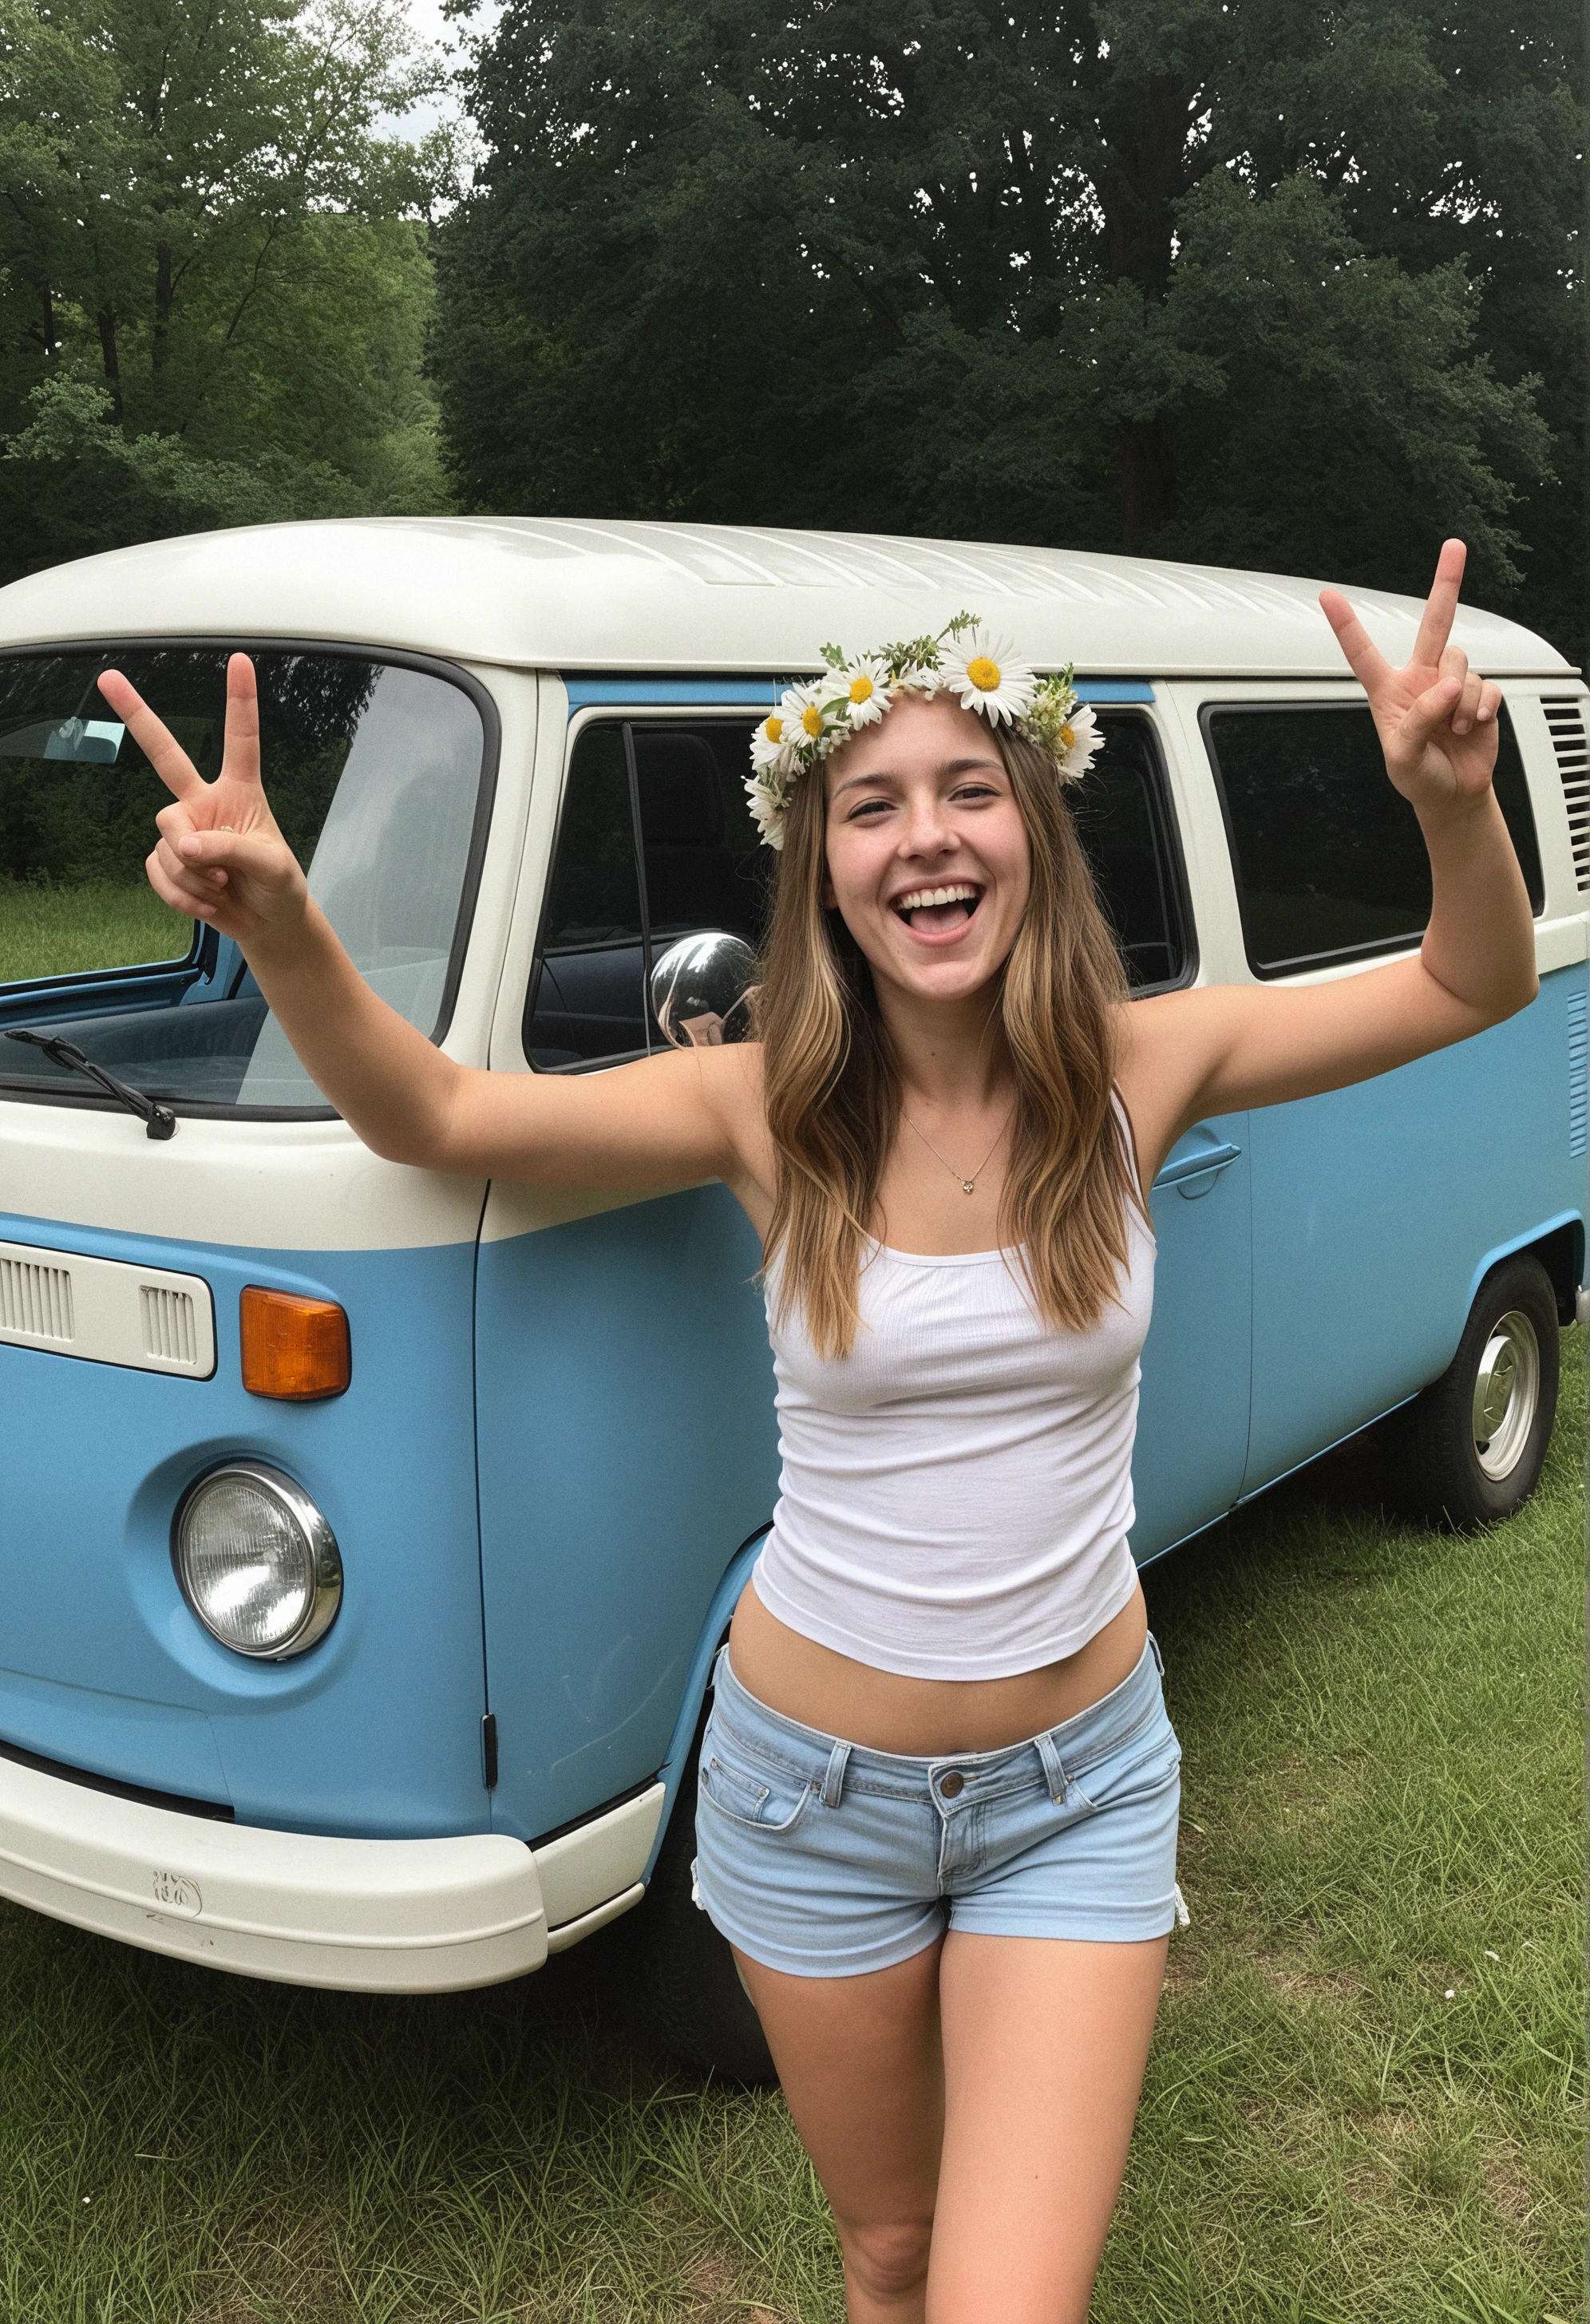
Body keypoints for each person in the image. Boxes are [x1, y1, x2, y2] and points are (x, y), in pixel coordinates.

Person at [101, 541, 1537, 2324]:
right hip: (804, 1802)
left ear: (1034, 834)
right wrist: (284, 921)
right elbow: (435, 1111)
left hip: (1075, 1791)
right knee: (890, 2253)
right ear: (825, 869)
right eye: (873, 804)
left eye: (967, 791)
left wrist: (1456, 807)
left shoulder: (1139, 1060)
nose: (925, 832)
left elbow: (1471, 986)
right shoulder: (765, 1104)